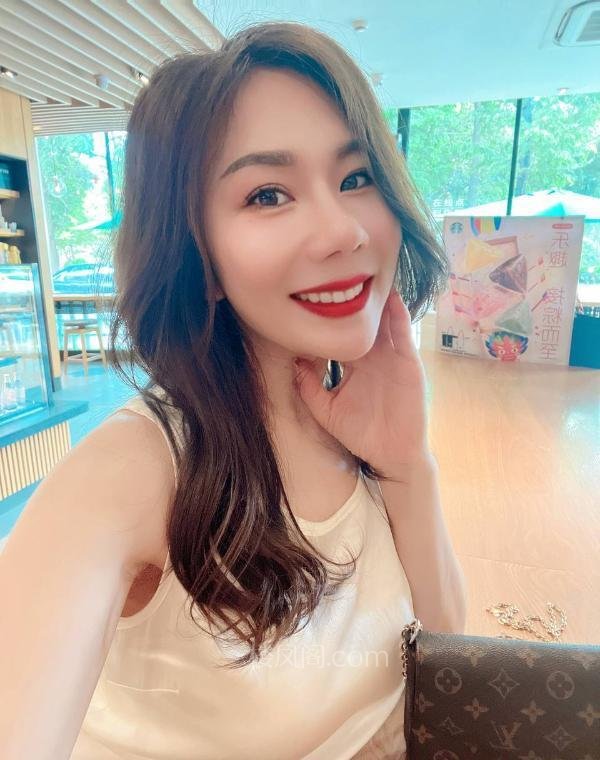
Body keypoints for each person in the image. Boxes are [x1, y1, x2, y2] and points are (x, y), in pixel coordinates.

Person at [0, 20, 466, 760]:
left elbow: (446, 662)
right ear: (198, 257)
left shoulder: (359, 413)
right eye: (268, 194)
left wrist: (410, 465)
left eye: (355, 178)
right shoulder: (137, 469)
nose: (344, 231)